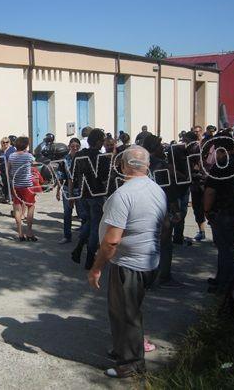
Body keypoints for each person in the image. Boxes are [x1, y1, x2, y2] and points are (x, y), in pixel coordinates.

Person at [87, 145, 167, 378]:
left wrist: (96, 268)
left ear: (123, 166)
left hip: (129, 265)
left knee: (126, 313)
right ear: (147, 166)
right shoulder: (156, 190)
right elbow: (164, 225)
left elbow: (112, 240)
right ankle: (122, 348)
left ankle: (131, 364)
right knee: (125, 310)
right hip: (149, 260)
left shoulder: (124, 195)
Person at [204, 131, 234, 294]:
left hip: (224, 211)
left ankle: (226, 283)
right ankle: (221, 277)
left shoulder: (222, 165)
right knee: (225, 246)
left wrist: (206, 210)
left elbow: (210, 192)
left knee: (225, 248)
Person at [142, 134, 184, 288]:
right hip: (160, 209)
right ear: (154, 147)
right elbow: (168, 190)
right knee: (165, 244)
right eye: (160, 146)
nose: (162, 148)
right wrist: (176, 210)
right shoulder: (161, 165)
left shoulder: (140, 163)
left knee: (147, 243)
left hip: (144, 207)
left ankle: (145, 277)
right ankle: (163, 277)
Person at [70, 128, 111, 269]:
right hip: (96, 195)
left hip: (83, 194)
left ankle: (79, 247)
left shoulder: (79, 155)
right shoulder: (101, 158)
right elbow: (105, 178)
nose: (103, 143)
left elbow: (73, 175)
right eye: (102, 141)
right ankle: (89, 256)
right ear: (98, 141)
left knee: (88, 222)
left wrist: (73, 193)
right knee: (95, 226)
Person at [9, 136, 38, 242]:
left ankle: (20, 233)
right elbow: (35, 165)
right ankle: (29, 232)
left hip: (16, 185)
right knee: (31, 206)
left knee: (17, 208)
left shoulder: (11, 156)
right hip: (27, 186)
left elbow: (8, 170)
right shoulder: (28, 156)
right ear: (26, 145)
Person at [56, 138, 82, 243]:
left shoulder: (82, 158)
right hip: (67, 189)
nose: (75, 148)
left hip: (80, 189)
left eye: (77, 146)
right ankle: (67, 236)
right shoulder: (64, 160)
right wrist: (58, 191)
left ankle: (84, 235)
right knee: (67, 213)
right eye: (73, 146)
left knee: (82, 213)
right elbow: (60, 176)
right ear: (69, 147)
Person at [0, 136, 16, 201]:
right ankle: (7, 197)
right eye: (3, 142)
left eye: (6, 142)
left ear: (9, 142)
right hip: (3, 169)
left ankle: (13, 197)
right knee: (5, 183)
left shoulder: (12, 149)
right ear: (1, 143)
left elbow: (15, 158)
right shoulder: (0, 151)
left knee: (11, 183)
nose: (5, 143)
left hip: (11, 169)